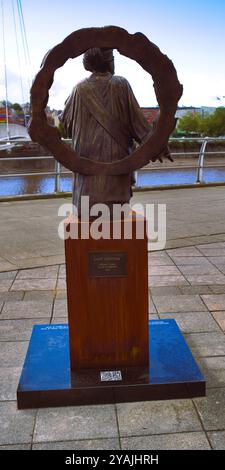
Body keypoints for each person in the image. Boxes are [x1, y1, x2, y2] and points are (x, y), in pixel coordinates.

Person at [60, 47, 171, 214]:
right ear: (108, 62)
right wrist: (159, 145)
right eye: (112, 58)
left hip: (85, 163)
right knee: (116, 211)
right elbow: (138, 123)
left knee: (86, 206)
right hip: (116, 163)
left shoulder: (78, 89)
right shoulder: (121, 84)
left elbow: (66, 124)